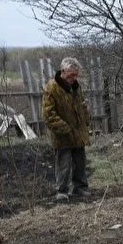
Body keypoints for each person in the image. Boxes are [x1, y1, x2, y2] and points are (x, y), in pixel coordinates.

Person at [42, 57, 91, 201]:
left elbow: (82, 105)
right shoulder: (51, 88)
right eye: (71, 75)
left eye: (76, 75)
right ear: (63, 72)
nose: (74, 78)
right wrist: (65, 129)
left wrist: (86, 119)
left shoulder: (76, 86)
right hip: (62, 135)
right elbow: (48, 115)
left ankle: (80, 188)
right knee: (63, 163)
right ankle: (62, 191)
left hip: (78, 132)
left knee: (80, 161)